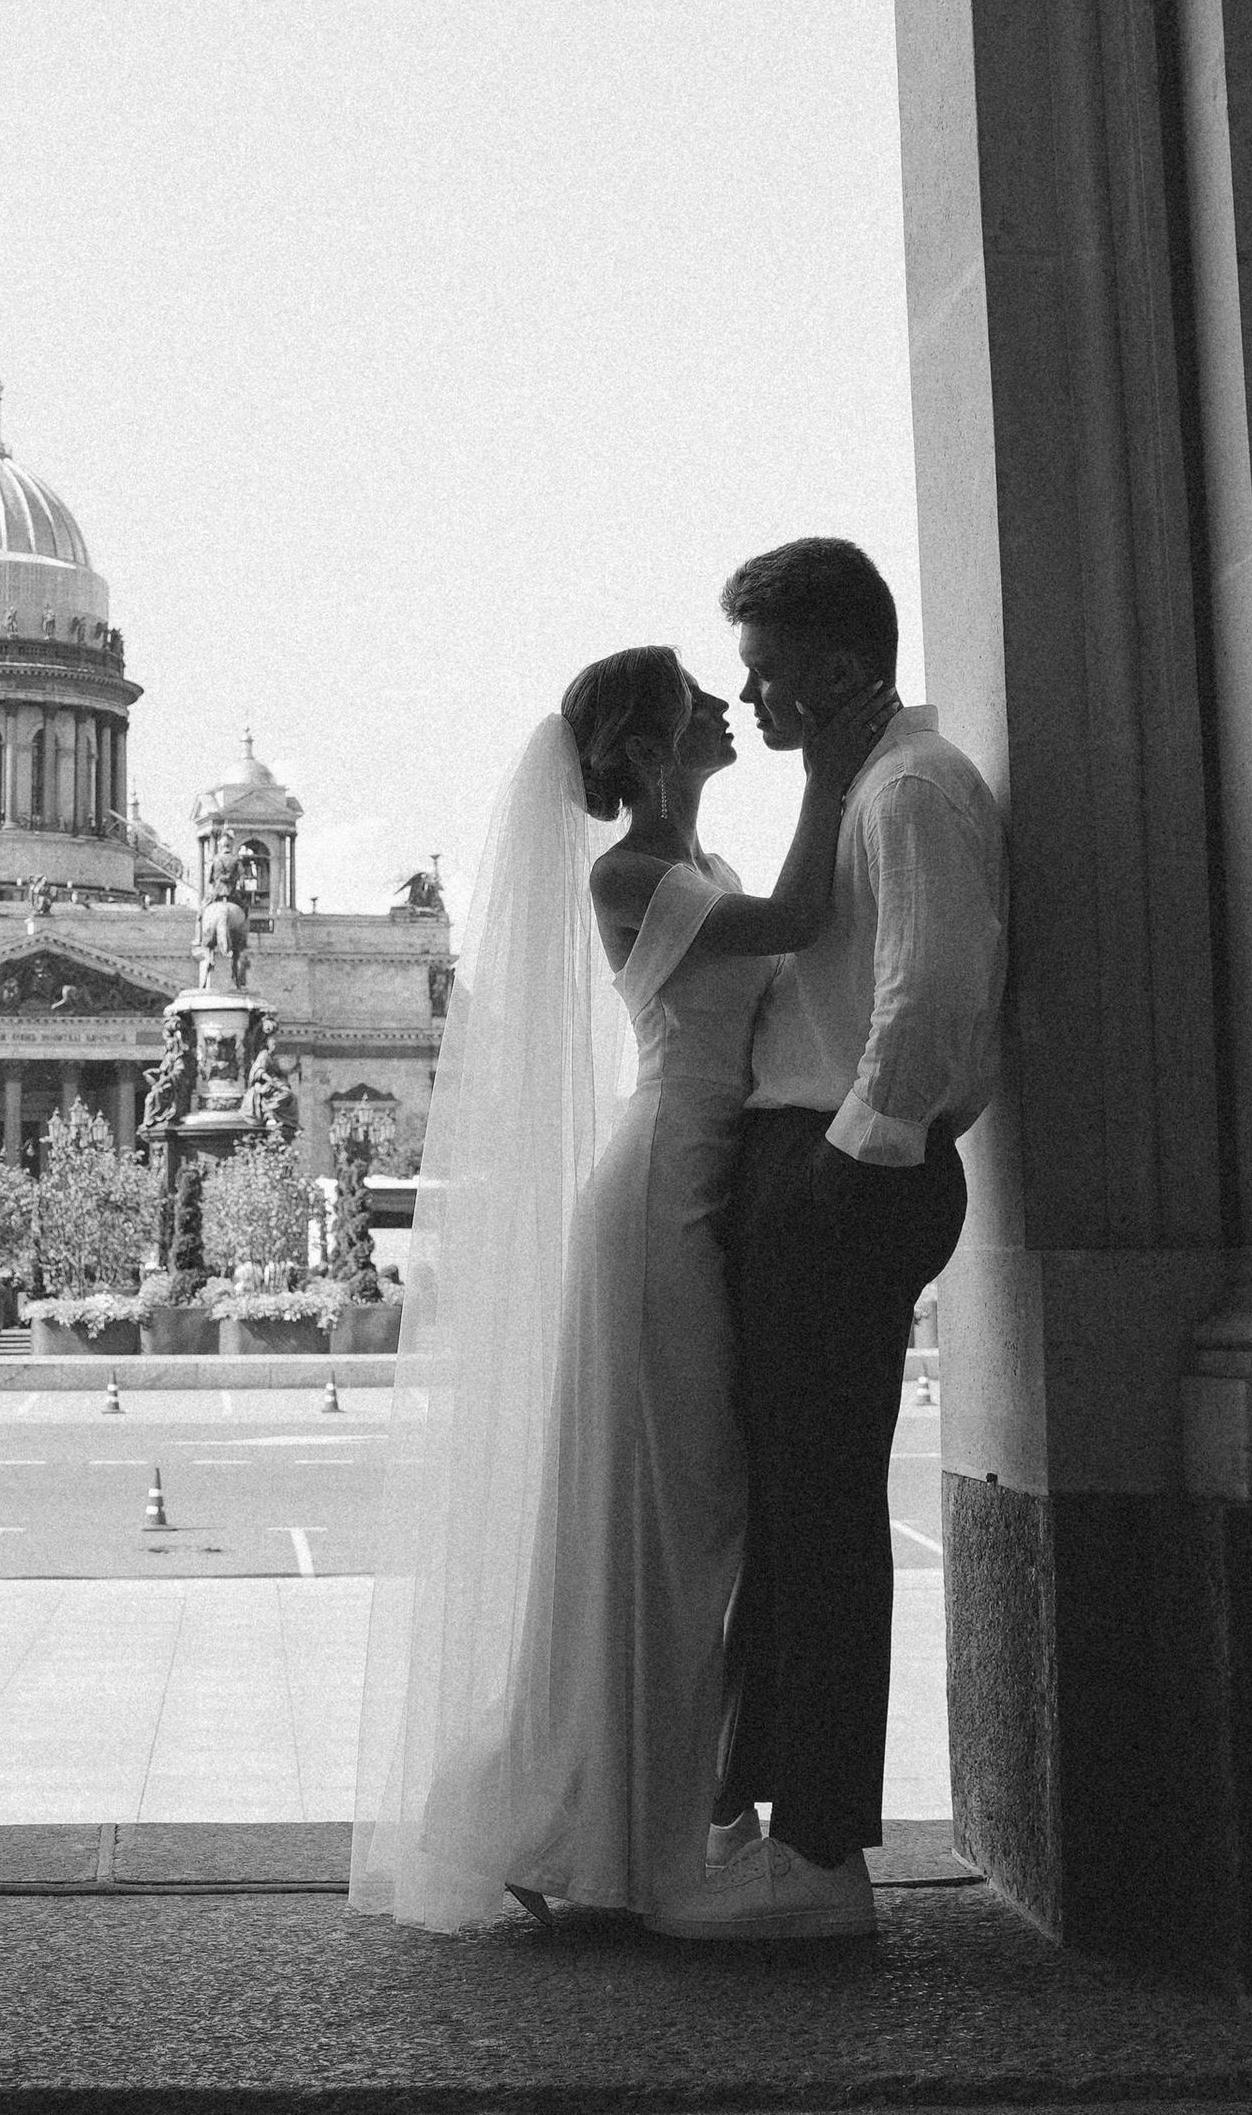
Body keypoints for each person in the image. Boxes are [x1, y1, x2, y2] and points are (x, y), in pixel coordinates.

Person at [349, 644, 892, 1931]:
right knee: (674, 1508)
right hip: (656, 1200)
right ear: (648, 750)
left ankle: (609, 1811)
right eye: (697, 704)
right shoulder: (631, 873)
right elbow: (801, 923)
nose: (720, 711)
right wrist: (828, 765)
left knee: (685, 1505)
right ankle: (626, 1832)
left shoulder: (700, 870)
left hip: (696, 1190)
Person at [650, 536, 1005, 1945]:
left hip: (847, 1164)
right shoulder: (864, 786)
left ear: (842, 664)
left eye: (767, 668)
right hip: (817, 1162)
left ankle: (820, 1863)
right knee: (797, 1513)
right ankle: (771, 1829)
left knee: (822, 1521)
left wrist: (846, 1165)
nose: (750, 696)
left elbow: (933, 995)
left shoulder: (912, 787)